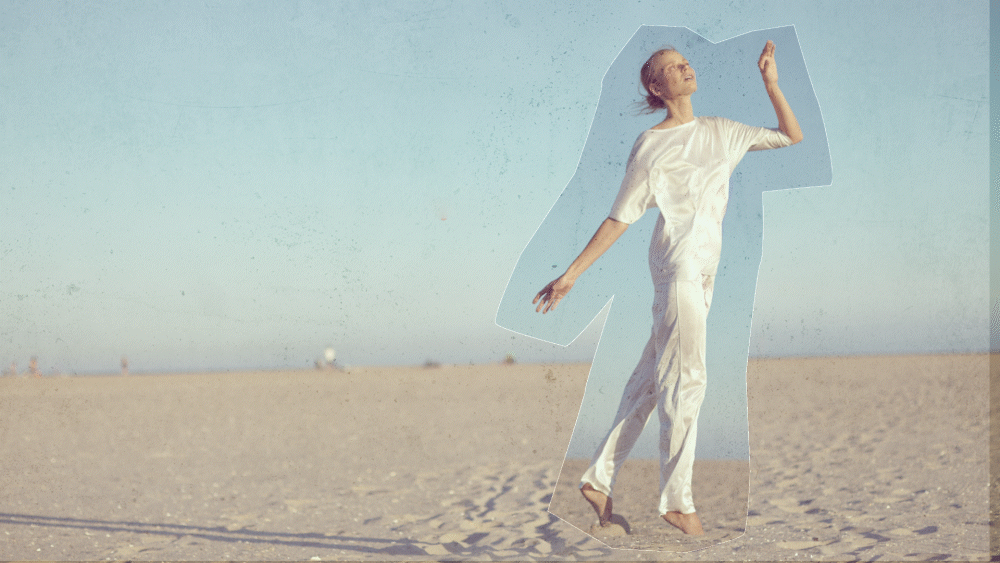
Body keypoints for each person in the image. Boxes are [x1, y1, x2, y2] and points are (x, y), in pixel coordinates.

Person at [533, 40, 802, 536]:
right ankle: (677, 501)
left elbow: (791, 134)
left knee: (655, 381)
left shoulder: (722, 131)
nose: (686, 67)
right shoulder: (650, 145)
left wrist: (771, 85)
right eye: (673, 67)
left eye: (686, 61)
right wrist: (571, 274)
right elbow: (621, 217)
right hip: (675, 266)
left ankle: (598, 476)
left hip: (704, 271)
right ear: (656, 87)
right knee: (688, 379)